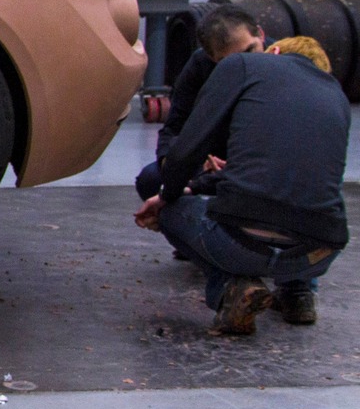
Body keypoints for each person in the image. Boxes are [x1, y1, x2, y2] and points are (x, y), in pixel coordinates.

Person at [135, 36, 348, 335]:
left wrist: (168, 195)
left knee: (171, 213)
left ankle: (231, 289)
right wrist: (197, 186)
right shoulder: (336, 93)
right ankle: (298, 293)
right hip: (319, 253)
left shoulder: (245, 65)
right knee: (302, 196)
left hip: (242, 244)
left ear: (274, 51)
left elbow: (184, 152)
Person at [133, 3, 265, 203]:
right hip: (216, 160)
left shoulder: (289, 57)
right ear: (211, 58)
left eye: (249, 51)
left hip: (265, 162)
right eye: (230, 62)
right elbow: (174, 128)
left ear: (261, 34)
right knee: (151, 180)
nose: (245, 64)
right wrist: (190, 160)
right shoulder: (200, 66)